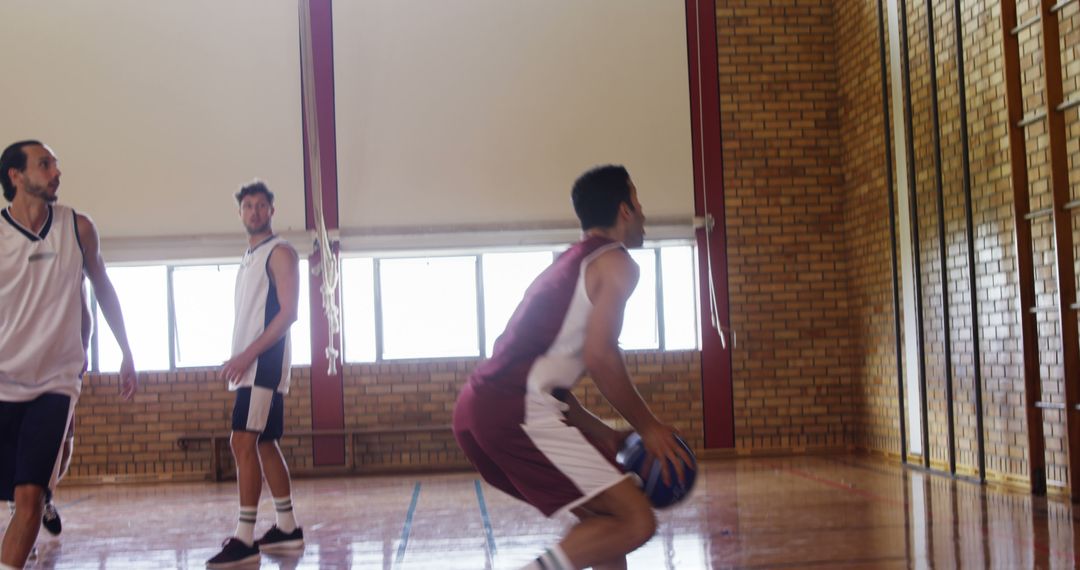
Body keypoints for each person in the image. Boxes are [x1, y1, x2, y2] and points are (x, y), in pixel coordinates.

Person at [453, 165, 693, 570]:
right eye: (639, 201)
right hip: (514, 411)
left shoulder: (568, 262)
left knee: (607, 522)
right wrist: (649, 426)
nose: (644, 213)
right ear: (625, 209)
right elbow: (601, 356)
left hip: (481, 409)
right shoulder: (615, 263)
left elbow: (552, 386)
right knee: (636, 521)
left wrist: (612, 436)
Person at [0, 140, 138, 569]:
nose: (55, 173)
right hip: (4, 380)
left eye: (56, 165)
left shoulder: (78, 228)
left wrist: (126, 349)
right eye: (44, 165)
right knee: (12, 492)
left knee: (29, 497)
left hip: (56, 383)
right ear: (16, 176)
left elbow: (102, 287)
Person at [207, 181, 304, 569]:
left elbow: (289, 313)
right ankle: (287, 528)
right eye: (248, 206)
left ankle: (245, 539)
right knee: (264, 444)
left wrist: (247, 355)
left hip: (263, 364)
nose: (255, 212)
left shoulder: (279, 253)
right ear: (241, 213)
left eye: (261, 205)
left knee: (241, 443)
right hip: (252, 364)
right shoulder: (249, 256)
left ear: (271, 211)